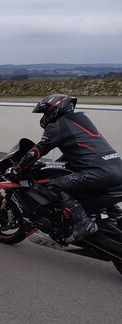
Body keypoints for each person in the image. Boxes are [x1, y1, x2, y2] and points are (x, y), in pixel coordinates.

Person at [8, 94, 122, 243]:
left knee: (54, 185)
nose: (44, 116)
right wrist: (52, 165)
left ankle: (83, 222)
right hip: (117, 169)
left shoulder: (57, 126)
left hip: (99, 173)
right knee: (93, 191)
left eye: (45, 112)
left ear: (54, 109)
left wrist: (18, 168)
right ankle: (116, 214)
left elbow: (38, 150)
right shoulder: (82, 120)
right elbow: (76, 152)